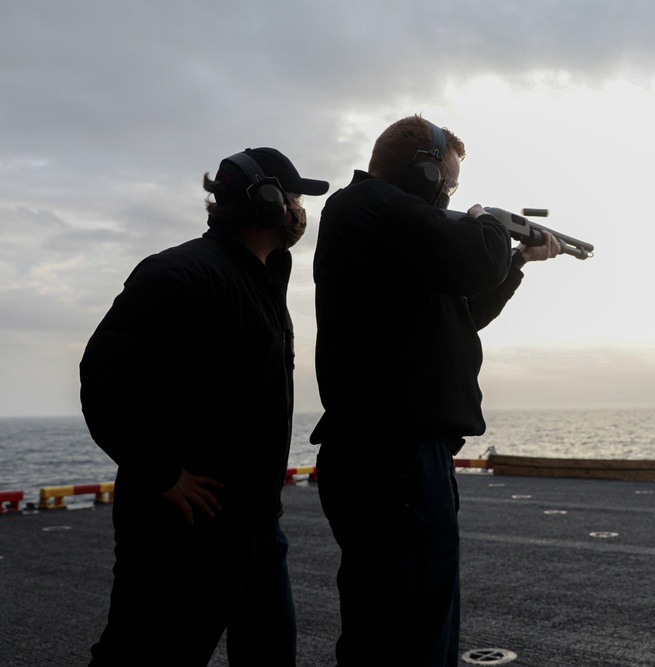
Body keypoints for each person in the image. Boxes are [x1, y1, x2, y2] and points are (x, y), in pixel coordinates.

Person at [310, 115, 560, 665]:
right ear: (424, 171)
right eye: (448, 182)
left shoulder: (400, 235)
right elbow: (475, 256)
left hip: (403, 456)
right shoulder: (368, 206)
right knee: (410, 635)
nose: (450, 193)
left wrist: (517, 258)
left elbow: (465, 312)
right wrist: (487, 222)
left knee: (404, 626)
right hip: (393, 455)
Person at [80, 148, 329, 667]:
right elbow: (105, 376)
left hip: (258, 528)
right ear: (264, 203)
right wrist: (163, 474)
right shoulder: (181, 274)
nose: (300, 210)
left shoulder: (264, 274)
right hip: (184, 533)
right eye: (294, 198)